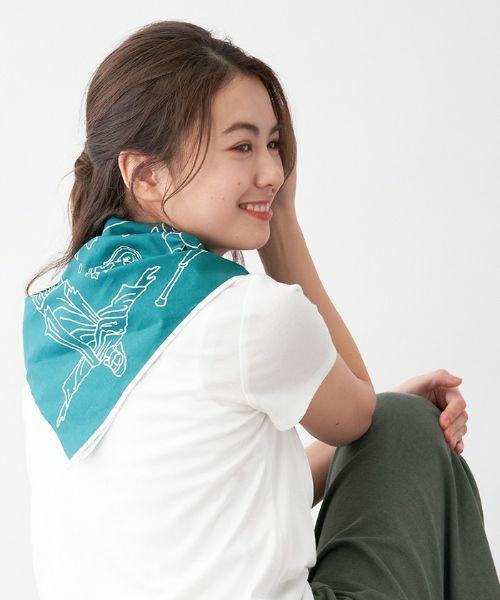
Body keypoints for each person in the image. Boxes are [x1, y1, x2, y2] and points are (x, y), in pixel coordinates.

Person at [21, 20, 499, 600]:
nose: (274, 174)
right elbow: (358, 417)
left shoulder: (54, 314)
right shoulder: (246, 313)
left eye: (273, 145)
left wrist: (393, 416)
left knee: (400, 420)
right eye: (242, 146)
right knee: (403, 424)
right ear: (145, 175)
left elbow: (226, 508)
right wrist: (283, 226)